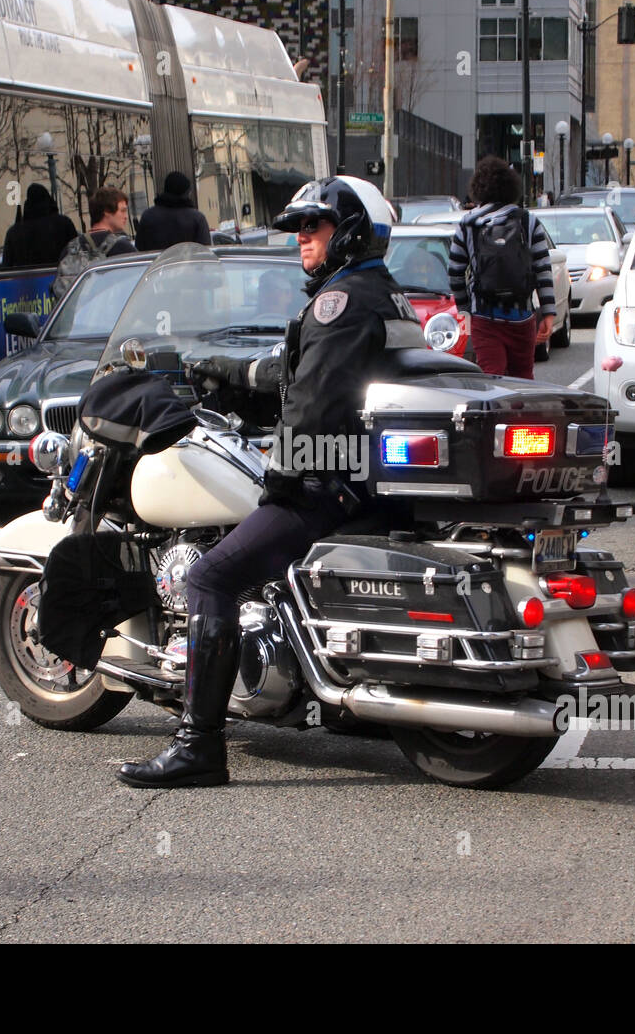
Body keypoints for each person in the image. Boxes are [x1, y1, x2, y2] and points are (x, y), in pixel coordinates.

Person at [117, 175, 426, 789]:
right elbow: (302, 375)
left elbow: (311, 411)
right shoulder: (382, 297)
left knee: (210, 577)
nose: (302, 240)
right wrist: (218, 369)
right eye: (301, 230)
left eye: (315, 228)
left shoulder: (339, 306)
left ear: (351, 233)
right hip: (372, 480)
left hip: (327, 491)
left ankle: (197, 745)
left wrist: (277, 475)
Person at [447, 155, 556, 378]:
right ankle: (520, 415)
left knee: (491, 379)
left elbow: (455, 272)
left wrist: (465, 309)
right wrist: (548, 312)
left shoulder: (468, 225)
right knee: (523, 379)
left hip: (484, 317)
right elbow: (543, 268)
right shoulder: (528, 221)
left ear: (478, 187)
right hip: (522, 315)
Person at [51, 186, 136, 300]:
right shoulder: (122, 248)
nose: (126, 216)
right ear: (107, 211)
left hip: (76, 316)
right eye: (122, 210)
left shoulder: (70, 248)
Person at [1, 183, 77, 267]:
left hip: (24, 279)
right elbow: (77, 257)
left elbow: (6, 267)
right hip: (63, 277)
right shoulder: (64, 224)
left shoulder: (14, 233)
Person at [135, 171, 210, 251]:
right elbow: (205, 251)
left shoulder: (148, 217)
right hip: (189, 262)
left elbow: (139, 248)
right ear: (186, 192)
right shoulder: (197, 218)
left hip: (155, 263)